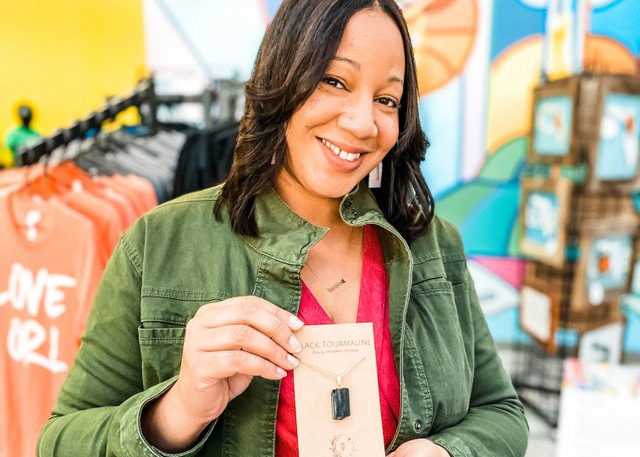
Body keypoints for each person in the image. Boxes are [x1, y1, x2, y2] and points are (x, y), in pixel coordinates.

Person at [38, 0, 529, 455]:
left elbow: (502, 413)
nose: (362, 122)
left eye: (387, 100)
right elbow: (59, 441)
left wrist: (443, 451)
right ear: (283, 79)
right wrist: (180, 408)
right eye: (335, 82)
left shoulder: (433, 245)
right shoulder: (158, 243)